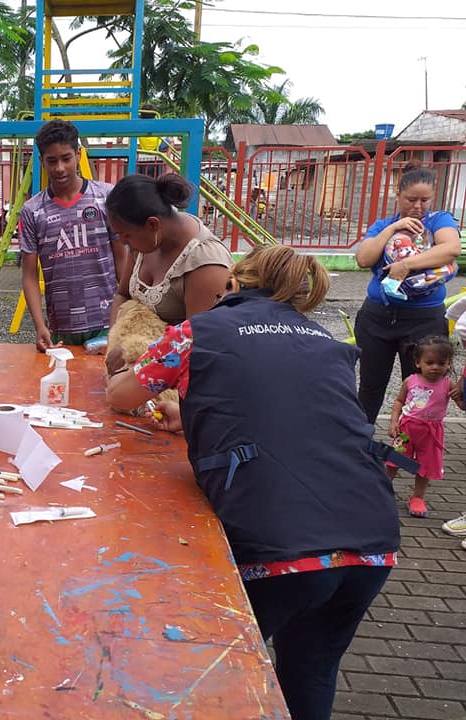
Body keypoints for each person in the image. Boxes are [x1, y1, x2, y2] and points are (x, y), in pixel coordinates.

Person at [106, 245, 405, 720]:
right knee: (311, 672)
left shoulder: (197, 331)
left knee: (208, 672)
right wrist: (194, 416)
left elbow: (121, 396)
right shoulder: (323, 338)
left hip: (283, 549)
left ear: (233, 283)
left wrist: (121, 363)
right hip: (372, 542)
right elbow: (294, 417)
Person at [353, 162, 461, 423]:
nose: (418, 206)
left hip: (424, 321)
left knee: (419, 388)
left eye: (425, 200)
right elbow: (364, 258)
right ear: (398, 194)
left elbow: (451, 249)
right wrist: (393, 228)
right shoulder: (383, 225)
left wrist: (406, 265)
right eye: (411, 200)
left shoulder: (438, 221)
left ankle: (411, 442)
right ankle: (360, 442)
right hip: (377, 318)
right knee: (370, 387)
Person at [20, 119, 127, 351]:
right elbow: (29, 275)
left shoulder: (106, 198)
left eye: (66, 158)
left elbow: (122, 259)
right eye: (51, 161)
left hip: (108, 322)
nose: (59, 168)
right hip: (60, 328)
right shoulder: (32, 210)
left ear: (78, 155)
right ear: (41, 161)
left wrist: (128, 312)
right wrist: (40, 326)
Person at [106, 172, 232, 327]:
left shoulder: (206, 263)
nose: (123, 242)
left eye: (126, 235)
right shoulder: (144, 243)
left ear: (152, 224)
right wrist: (115, 336)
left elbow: (199, 337)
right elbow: (122, 295)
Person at [386, 335, 460, 518]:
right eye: (430, 362)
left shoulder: (448, 384)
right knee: (395, 460)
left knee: (426, 465)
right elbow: (399, 401)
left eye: (441, 363)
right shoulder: (410, 381)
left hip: (432, 432)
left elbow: (461, 405)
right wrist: (394, 422)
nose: (435, 367)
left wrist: (461, 394)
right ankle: (383, 488)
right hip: (406, 429)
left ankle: (418, 497)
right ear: (418, 362)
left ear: (449, 364)